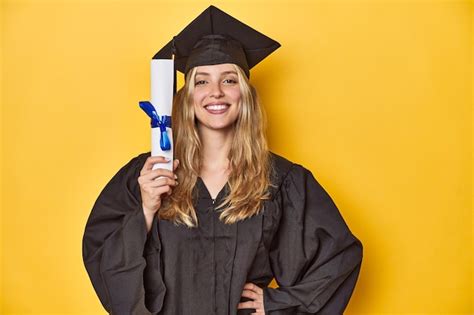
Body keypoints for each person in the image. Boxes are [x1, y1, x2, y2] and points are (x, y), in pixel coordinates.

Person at [82, 5, 363, 315]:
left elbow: (338, 257)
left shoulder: (281, 181)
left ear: (245, 94)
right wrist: (147, 209)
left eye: (229, 80)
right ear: (187, 96)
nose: (215, 92)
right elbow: (102, 255)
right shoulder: (150, 173)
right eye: (202, 81)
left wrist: (274, 303)